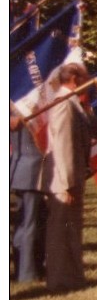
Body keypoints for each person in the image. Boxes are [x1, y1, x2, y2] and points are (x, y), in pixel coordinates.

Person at [42, 62, 93, 293]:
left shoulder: (73, 102)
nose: (89, 81)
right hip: (63, 181)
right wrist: (68, 184)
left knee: (70, 229)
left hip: (69, 179)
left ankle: (71, 277)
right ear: (74, 77)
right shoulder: (64, 103)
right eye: (85, 77)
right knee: (61, 230)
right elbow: (63, 146)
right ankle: (60, 280)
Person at [10, 109, 46, 282]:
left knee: (23, 222)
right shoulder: (23, 107)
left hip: (20, 170)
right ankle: (27, 272)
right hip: (32, 170)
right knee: (29, 223)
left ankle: (22, 267)